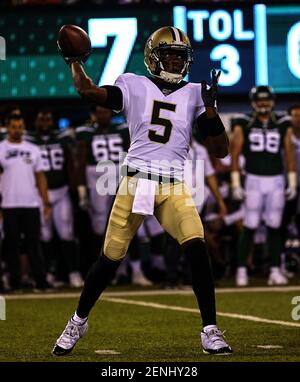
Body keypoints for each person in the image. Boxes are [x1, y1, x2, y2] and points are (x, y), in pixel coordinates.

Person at [52, 26, 232, 356]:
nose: (177, 63)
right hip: (135, 182)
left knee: (197, 247)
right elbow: (89, 92)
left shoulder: (195, 92)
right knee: (109, 260)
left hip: (174, 185)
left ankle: (210, 330)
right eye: (171, 56)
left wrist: (211, 110)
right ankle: (77, 321)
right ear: (153, 57)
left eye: (181, 57)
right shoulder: (132, 84)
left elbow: (221, 151)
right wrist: (74, 62)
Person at [230, 86, 297, 286]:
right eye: (260, 100)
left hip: (276, 179)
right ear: (253, 102)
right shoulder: (245, 121)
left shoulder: (283, 122)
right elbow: (235, 152)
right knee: (250, 225)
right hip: (253, 179)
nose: (263, 103)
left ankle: (275, 270)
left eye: (266, 100)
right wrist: (235, 182)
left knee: (275, 226)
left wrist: (292, 181)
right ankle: (241, 270)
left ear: (272, 101)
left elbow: (289, 152)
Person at [26, 109, 83, 288]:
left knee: (66, 233)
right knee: (45, 235)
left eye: (48, 119)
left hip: (61, 190)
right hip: (39, 193)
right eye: (41, 119)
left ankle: (73, 272)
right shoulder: (28, 140)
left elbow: (70, 163)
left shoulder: (62, 137)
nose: (44, 122)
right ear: (35, 122)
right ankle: (49, 272)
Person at [0, 115, 51, 291]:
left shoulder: (33, 149)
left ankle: (41, 281)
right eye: (13, 126)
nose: (17, 130)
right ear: (7, 127)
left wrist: (46, 202)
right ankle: (15, 282)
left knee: (34, 245)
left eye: (20, 126)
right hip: (8, 204)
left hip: (31, 204)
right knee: (11, 245)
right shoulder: (1, 149)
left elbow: (41, 177)